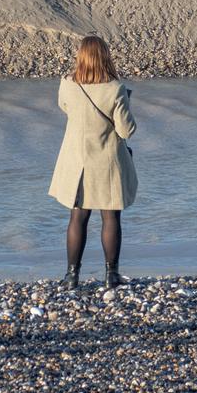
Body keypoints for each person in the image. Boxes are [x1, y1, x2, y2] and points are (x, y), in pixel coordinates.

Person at [48, 35, 138, 288]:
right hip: (107, 163)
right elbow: (126, 130)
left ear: (80, 57)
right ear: (105, 57)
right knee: (111, 219)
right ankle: (112, 275)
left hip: (77, 163)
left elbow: (64, 107)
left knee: (77, 219)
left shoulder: (67, 84)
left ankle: (71, 276)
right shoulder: (115, 89)